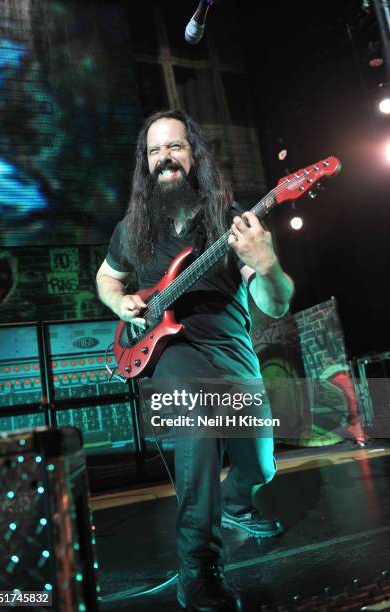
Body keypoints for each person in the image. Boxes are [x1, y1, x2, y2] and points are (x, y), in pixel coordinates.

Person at [96, 110, 294, 612]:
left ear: (194, 154)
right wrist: (122, 304)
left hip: (231, 354)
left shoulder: (232, 221)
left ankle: (235, 503)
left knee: (261, 465)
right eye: (154, 150)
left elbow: (276, 304)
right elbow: (106, 279)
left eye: (175, 147)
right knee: (200, 418)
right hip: (171, 353)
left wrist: (268, 265)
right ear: (145, 163)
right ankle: (198, 568)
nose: (165, 158)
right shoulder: (134, 228)